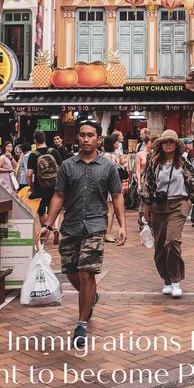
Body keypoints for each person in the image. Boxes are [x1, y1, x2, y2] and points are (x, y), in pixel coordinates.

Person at [39, 119, 126, 348]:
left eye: (90, 135)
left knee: (86, 273)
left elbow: (117, 196)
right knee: (71, 272)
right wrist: (48, 225)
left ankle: (81, 324)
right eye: (82, 135)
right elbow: (58, 196)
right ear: (77, 138)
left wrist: (122, 225)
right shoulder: (67, 166)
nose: (86, 139)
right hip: (71, 225)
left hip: (96, 225)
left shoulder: (108, 167)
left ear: (98, 139)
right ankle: (91, 298)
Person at [142, 130, 194, 298]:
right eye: (165, 141)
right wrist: (146, 210)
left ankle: (176, 280)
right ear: (161, 144)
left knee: (172, 240)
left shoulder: (183, 162)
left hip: (179, 203)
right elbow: (148, 186)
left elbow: (193, 184)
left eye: (171, 141)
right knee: (160, 246)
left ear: (176, 145)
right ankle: (166, 280)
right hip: (158, 206)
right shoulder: (154, 162)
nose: (168, 144)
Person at [26, 131, 62, 225]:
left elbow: (29, 173)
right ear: (45, 139)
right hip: (54, 185)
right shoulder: (54, 151)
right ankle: (55, 229)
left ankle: (44, 233)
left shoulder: (33, 155)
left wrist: (30, 185)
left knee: (41, 210)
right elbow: (62, 169)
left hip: (40, 186)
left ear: (35, 140)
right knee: (54, 207)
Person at [101, 134, 125, 243]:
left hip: (111, 185)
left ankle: (108, 233)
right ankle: (107, 233)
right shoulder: (107, 156)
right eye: (116, 142)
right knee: (110, 211)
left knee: (111, 211)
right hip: (109, 186)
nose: (118, 143)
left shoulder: (111, 155)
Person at [134, 134, 157, 229]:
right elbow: (138, 170)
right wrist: (139, 184)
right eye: (152, 142)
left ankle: (150, 221)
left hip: (152, 181)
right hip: (143, 180)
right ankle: (142, 221)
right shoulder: (139, 154)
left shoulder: (154, 155)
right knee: (142, 202)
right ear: (148, 143)